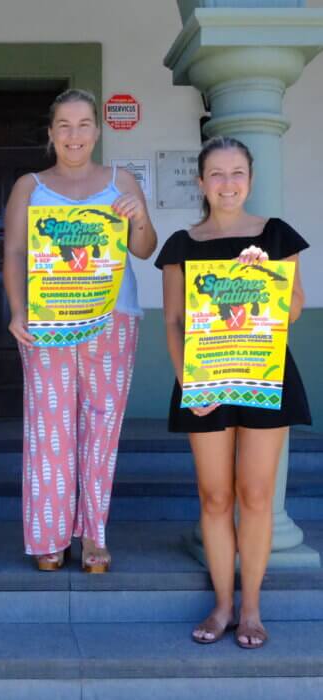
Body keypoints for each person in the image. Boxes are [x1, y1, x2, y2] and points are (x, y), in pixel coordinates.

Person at [155, 136, 311, 649]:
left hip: (265, 375)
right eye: (217, 174)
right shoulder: (182, 244)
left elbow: (293, 310)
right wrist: (188, 382)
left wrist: (266, 276)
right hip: (205, 380)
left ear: (251, 178)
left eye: (237, 172)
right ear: (201, 182)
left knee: (256, 495)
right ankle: (222, 605)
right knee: (216, 497)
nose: (228, 183)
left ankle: (251, 610)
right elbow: (173, 322)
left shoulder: (276, 235)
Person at [3, 89, 157, 572]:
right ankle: (49, 536)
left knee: (102, 427)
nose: (74, 135)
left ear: (97, 130)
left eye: (84, 124)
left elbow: (145, 249)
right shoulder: (29, 186)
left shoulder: (121, 181)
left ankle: (94, 535)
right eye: (64, 126)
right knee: (48, 427)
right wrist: (17, 311)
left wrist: (138, 219)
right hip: (48, 319)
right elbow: (14, 252)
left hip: (113, 317)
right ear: (51, 133)